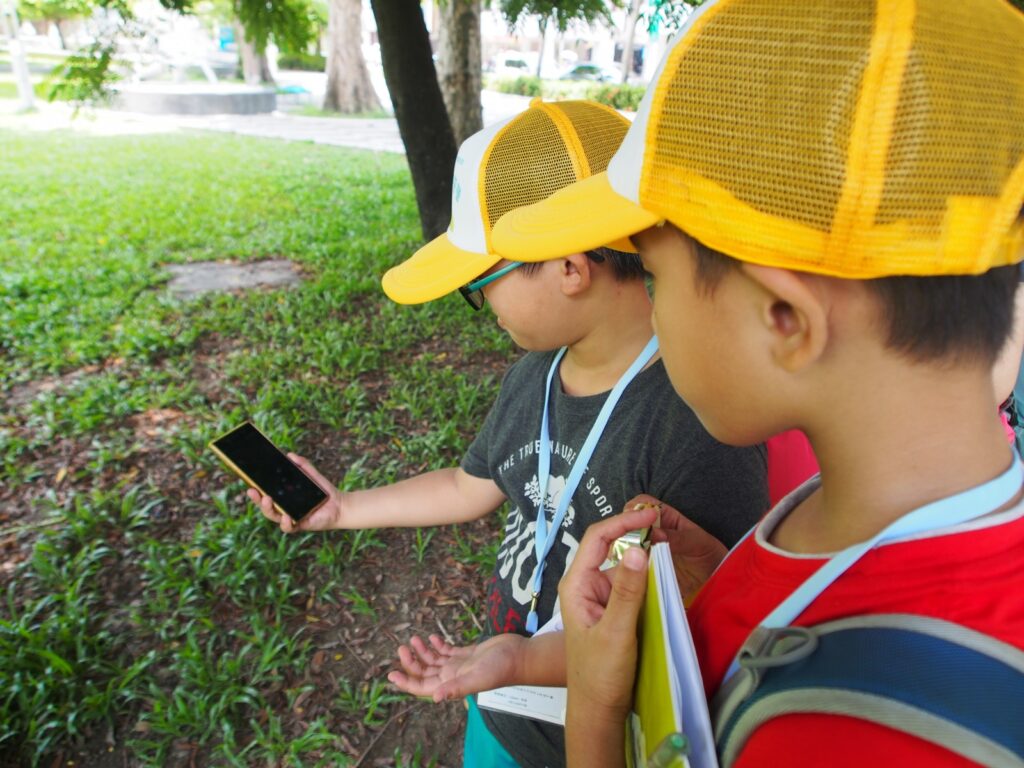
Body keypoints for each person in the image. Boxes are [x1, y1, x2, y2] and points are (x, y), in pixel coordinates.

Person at [483, 0, 1024, 764]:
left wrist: (597, 709)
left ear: (785, 318)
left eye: (655, 277)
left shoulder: (857, 733)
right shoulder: (865, 508)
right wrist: (720, 593)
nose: (652, 310)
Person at [248, 99, 769, 768]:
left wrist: (519, 659)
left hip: (606, 739)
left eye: (480, 283)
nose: (481, 304)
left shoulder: (698, 422)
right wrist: (340, 508)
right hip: (500, 695)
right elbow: (470, 485)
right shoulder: (536, 375)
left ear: (570, 268)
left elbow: (686, 628)